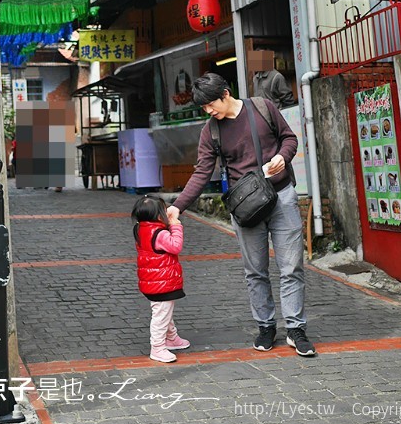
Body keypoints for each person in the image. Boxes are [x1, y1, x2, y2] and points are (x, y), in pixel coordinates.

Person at [167, 73, 316, 357]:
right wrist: (178, 205)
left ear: (225, 93)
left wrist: (282, 157)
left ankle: (296, 329)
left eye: (210, 104)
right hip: (246, 206)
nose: (208, 111)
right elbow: (201, 172)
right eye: (204, 108)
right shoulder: (210, 131)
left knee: (291, 267)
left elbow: (289, 139)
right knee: (255, 271)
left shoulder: (262, 107)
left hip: (281, 196)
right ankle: (266, 326)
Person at [133, 194, 190, 363]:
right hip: (162, 282)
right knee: (161, 315)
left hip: (153, 281)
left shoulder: (141, 228)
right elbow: (175, 246)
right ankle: (157, 348)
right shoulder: (159, 233)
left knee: (165, 312)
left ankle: (172, 338)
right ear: (159, 216)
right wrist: (176, 226)